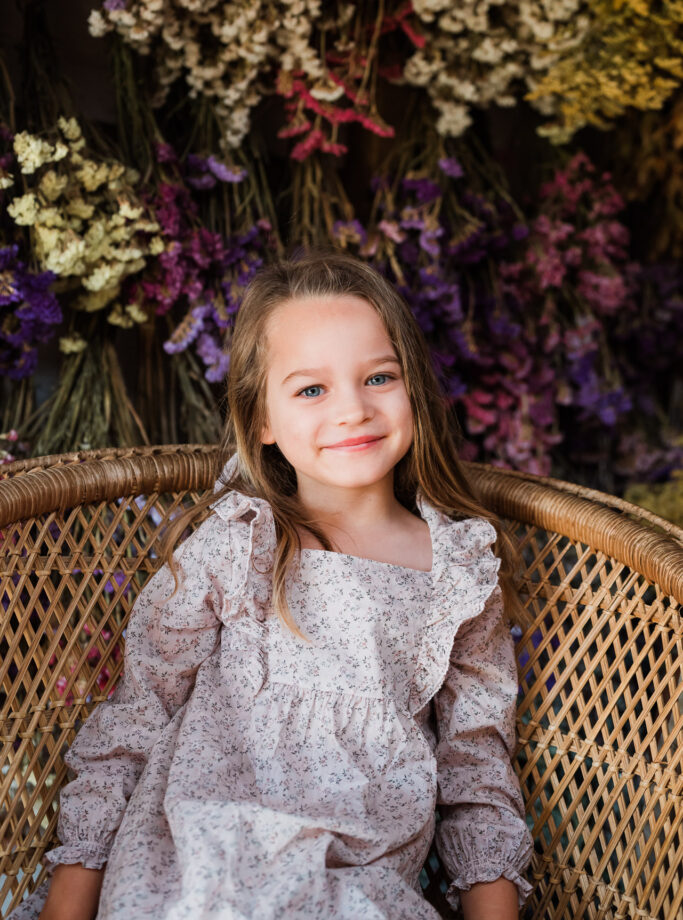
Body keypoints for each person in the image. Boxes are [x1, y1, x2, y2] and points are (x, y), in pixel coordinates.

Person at [15, 251, 533, 920]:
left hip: (358, 875)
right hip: (202, 864)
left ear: (414, 392)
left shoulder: (458, 573)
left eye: (378, 376)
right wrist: (69, 902)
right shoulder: (239, 544)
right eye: (310, 389)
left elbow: (476, 769)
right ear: (261, 420)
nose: (352, 410)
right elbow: (137, 718)